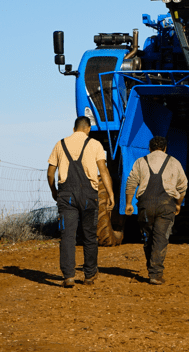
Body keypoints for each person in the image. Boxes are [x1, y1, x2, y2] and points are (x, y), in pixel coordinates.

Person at [47, 116, 115, 288]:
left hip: (66, 195)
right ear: (88, 129)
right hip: (88, 196)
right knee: (90, 236)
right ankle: (90, 275)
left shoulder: (60, 144)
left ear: (73, 128)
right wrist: (110, 193)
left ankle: (68, 276)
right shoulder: (95, 144)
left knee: (67, 236)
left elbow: (50, 173)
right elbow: (103, 171)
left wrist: (54, 190)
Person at [124, 136, 187, 285]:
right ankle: (155, 273)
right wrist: (178, 204)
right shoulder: (174, 162)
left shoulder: (141, 161)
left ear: (150, 148)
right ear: (165, 148)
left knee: (148, 239)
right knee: (160, 239)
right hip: (166, 205)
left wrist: (128, 203)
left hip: (145, 206)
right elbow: (183, 187)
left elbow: (131, 182)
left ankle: (152, 267)